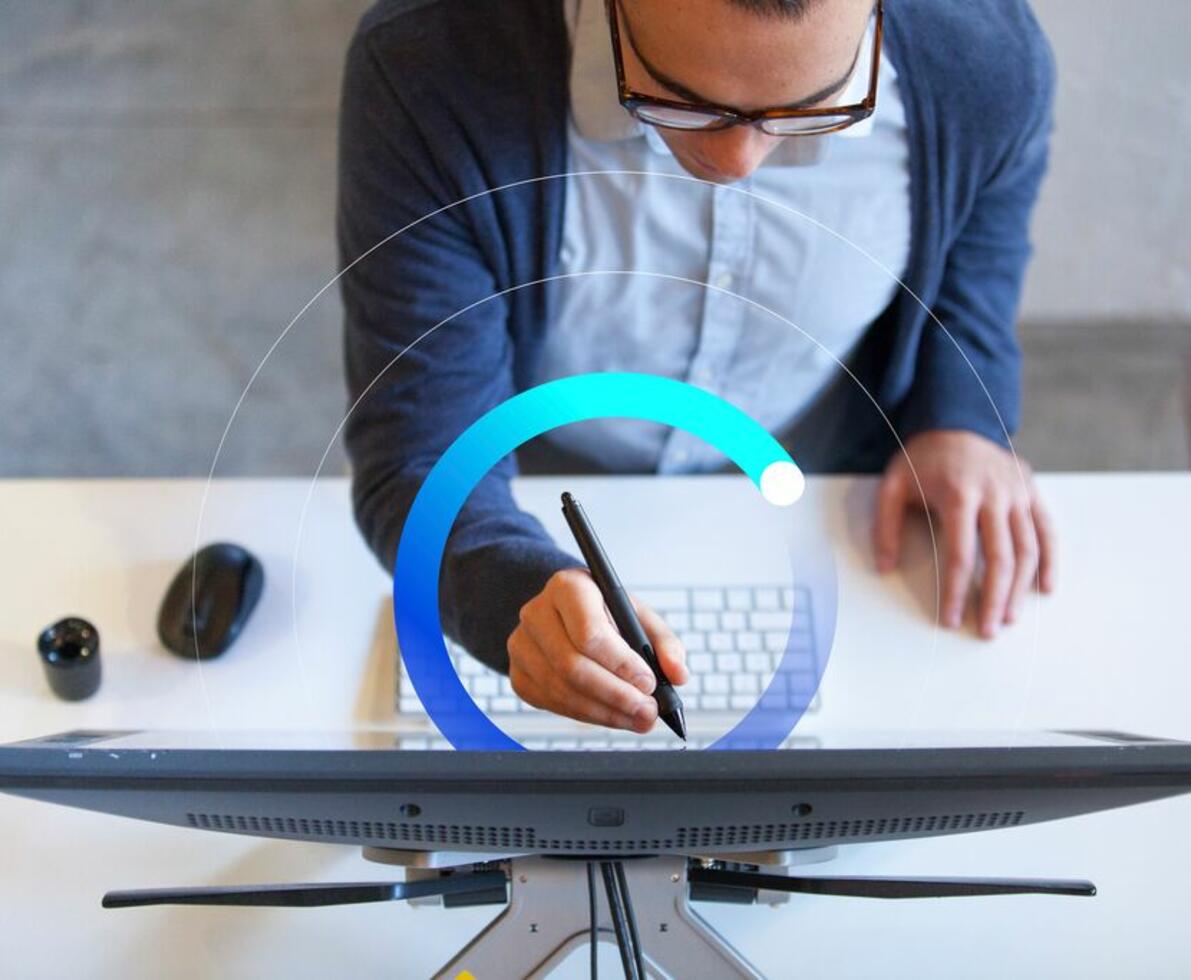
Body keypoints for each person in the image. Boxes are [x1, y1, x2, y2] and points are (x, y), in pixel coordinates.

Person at [337, 0, 1057, 735]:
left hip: (823, 469)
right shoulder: (424, 64)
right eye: (676, 103)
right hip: (541, 471)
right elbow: (419, 448)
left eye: (810, 111)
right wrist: (510, 588)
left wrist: (959, 411)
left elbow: (977, 256)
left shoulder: (988, 61)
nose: (733, 163)